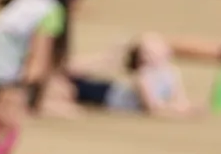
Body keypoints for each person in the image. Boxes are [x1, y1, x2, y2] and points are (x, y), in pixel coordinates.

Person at [48, 33, 198, 115]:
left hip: (113, 91)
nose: (162, 47)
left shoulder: (172, 72)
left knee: (73, 77)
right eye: (154, 47)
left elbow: (179, 98)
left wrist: (186, 106)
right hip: (108, 95)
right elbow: (152, 107)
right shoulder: (143, 77)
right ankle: (58, 69)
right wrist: (178, 110)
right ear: (145, 58)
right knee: (72, 79)